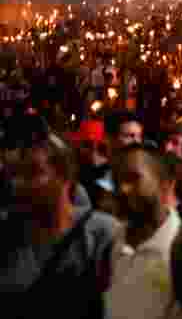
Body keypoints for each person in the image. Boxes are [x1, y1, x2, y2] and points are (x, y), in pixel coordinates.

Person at [0, 117, 121, 318]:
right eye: (15, 174)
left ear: (64, 175)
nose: (19, 184)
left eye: (32, 173)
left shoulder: (102, 234)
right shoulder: (7, 232)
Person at [106, 144, 182, 319]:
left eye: (134, 178)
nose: (123, 189)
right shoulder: (111, 242)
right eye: (117, 181)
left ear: (165, 184)